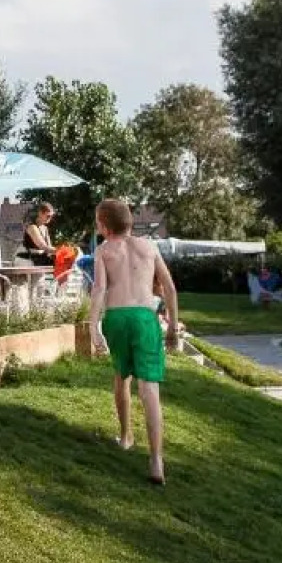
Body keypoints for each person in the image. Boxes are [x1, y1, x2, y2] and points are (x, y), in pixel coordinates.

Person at [86, 198, 180, 485]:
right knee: (149, 388)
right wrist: (173, 327)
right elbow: (169, 288)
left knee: (121, 376)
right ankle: (156, 460)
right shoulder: (149, 247)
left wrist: (93, 325)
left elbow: (100, 288)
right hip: (143, 317)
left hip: (116, 317)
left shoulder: (103, 250)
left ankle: (126, 436)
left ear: (103, 225)